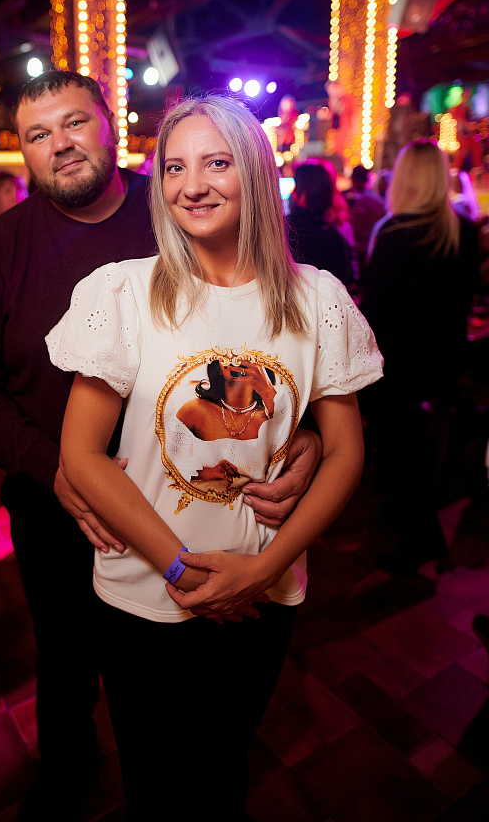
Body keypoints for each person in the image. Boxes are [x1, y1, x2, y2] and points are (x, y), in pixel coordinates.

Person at [0, 71, 324, 821]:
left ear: (111, 126)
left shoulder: (180, 210)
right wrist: (57, 469)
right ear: (24, 153)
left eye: (74, 123)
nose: (60, 144)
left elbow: (268, 335)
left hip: (189, 499)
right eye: (38, 135)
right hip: (57, 505)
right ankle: (69, 767)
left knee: (187, 670)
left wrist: (301, 429)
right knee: (67, 654)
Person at [47, 94, 382, 821]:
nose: (192, 185)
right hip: (143, 594)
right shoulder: (125, 291)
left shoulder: (316, 298)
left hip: (262, 593)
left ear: (255, 173)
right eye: (174, 167)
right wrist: (178, 567)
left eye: (216, 163)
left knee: (224, 765)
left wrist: (263, 569)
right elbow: (81, 453)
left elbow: (345, 452)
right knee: (155, 782)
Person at [361, 139, 480, 572]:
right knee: (409, 438)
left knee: (394, 437)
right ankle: (407, 510)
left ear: (405, 178)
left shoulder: (396, 232)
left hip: (398, 366)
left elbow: (373, 311)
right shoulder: (463, 229)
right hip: (444, 361)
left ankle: (421, 539)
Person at [286, 161, 355, 287]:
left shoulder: (287, 228)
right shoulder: (339, 228)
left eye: (296, 186)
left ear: (304, 192)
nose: (293, 193)